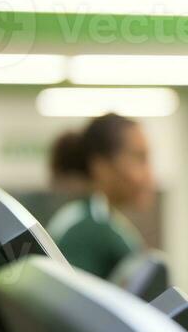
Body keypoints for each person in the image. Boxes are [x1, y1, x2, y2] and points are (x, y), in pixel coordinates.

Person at [47, 113, 154, 278]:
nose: (149, 174)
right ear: (101, 166)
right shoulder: (87, 229)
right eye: (139, 158)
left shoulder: (97, 220)